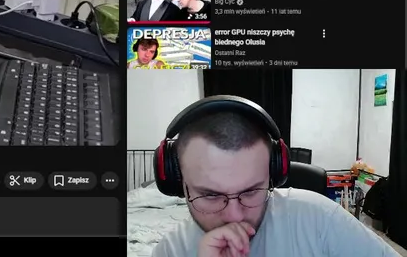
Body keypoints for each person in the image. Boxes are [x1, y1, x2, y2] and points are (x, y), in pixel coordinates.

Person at [153, 97, 398, 256]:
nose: (234, 216)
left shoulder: (320, 219)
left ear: (273, 175)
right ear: (178, 182)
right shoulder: (171, 251)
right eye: (210, 195)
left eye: (251, 191)